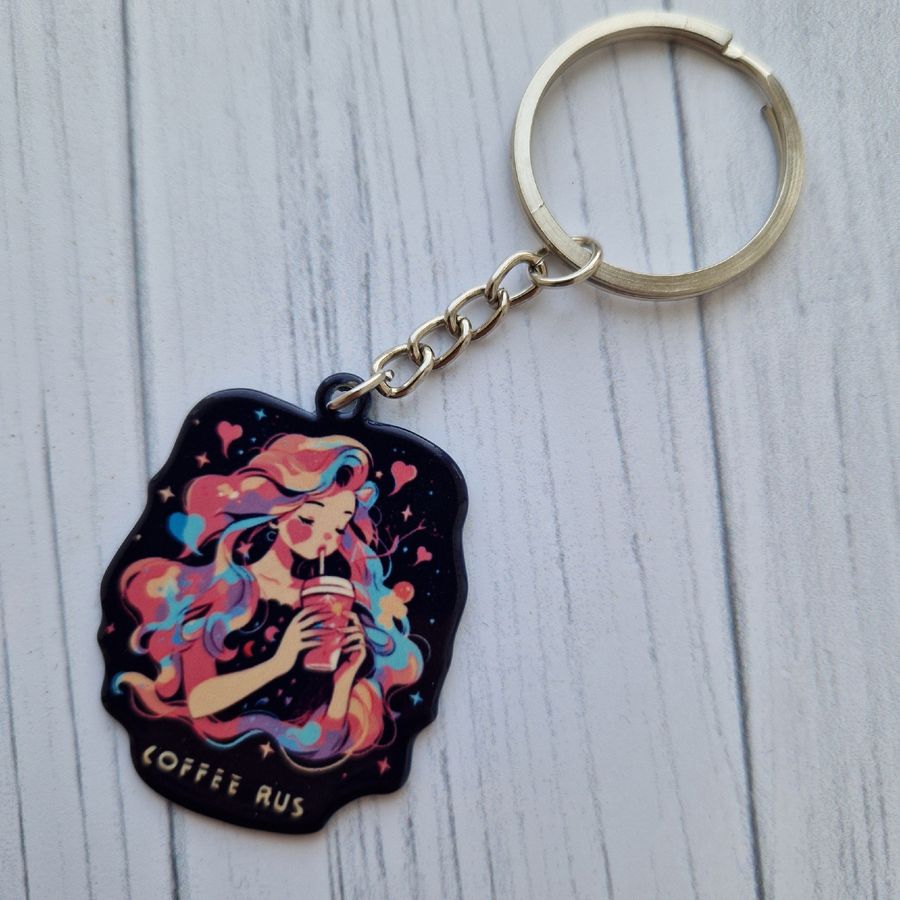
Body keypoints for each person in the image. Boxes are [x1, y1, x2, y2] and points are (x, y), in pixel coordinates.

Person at [113, 432, 423, 762]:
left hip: (293, 767)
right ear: (279, 508)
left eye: (337, 528)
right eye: (309, 519)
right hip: (206, 751)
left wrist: (345, 680)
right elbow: (198, 702)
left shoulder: (330, 607)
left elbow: (325, 742)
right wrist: (279, 662)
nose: (325, 538)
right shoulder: (227, 589)